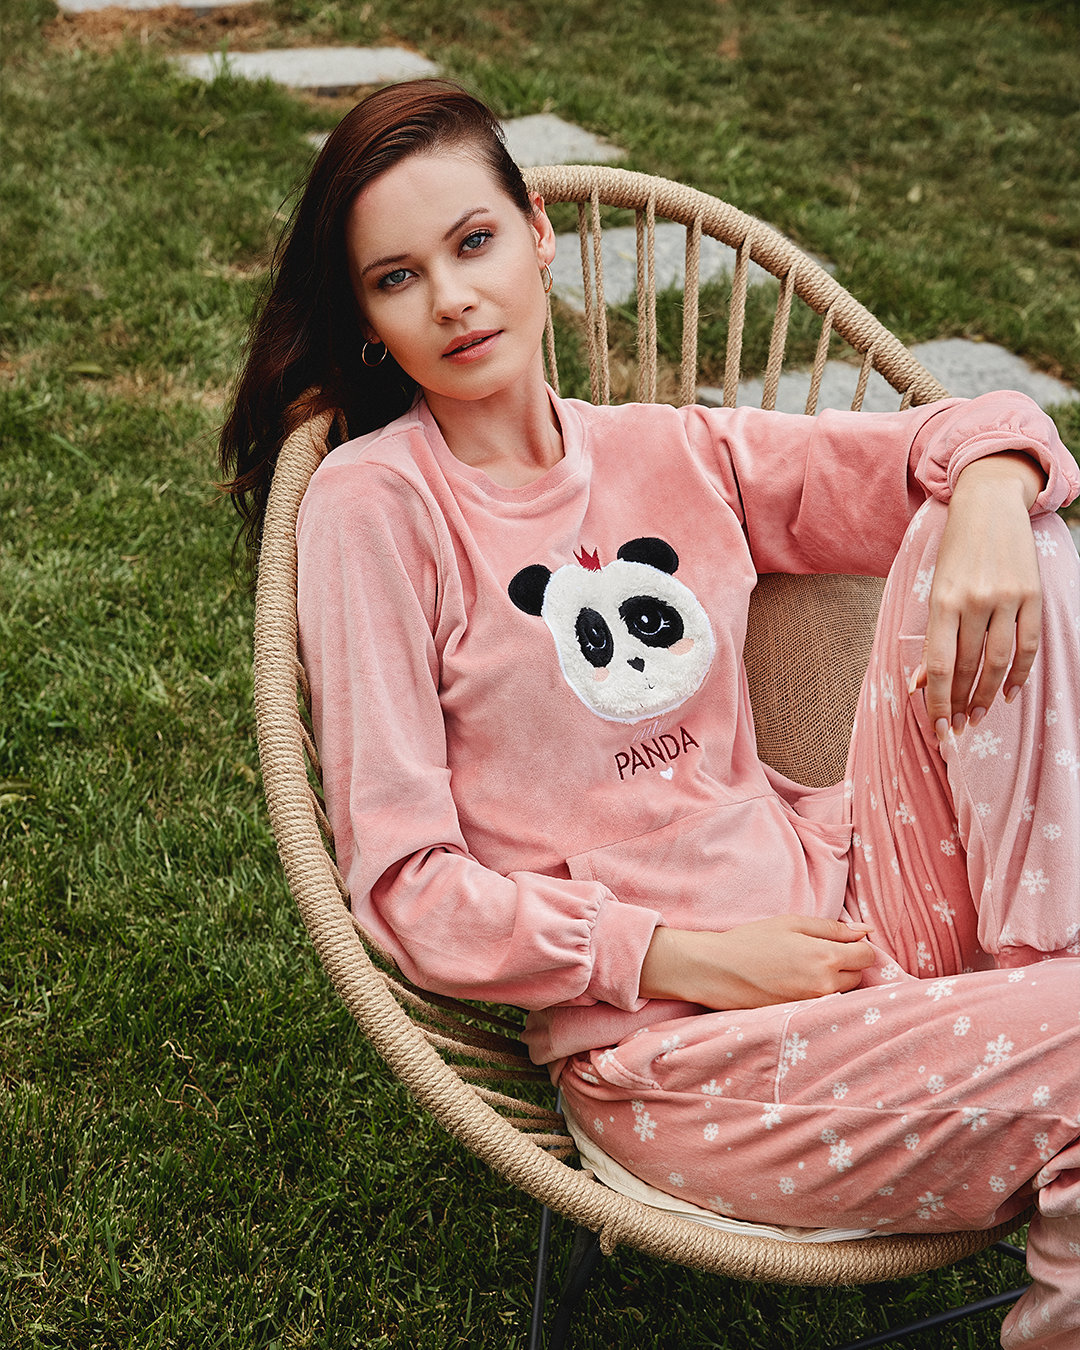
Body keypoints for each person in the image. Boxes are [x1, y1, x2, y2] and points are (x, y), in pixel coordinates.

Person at [220, 79, 1080, 1347]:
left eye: (473, 242)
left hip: (862, 925)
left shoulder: (673, 452)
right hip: (680, 1066)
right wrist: (680, 958)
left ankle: (1034, 997)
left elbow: (976, 432)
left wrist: (998, 489)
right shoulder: (376, 509)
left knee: (1011, 529)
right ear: (366, 319)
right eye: (398, 278)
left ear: (536, 236)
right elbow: (406, 886)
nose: (452, 298)